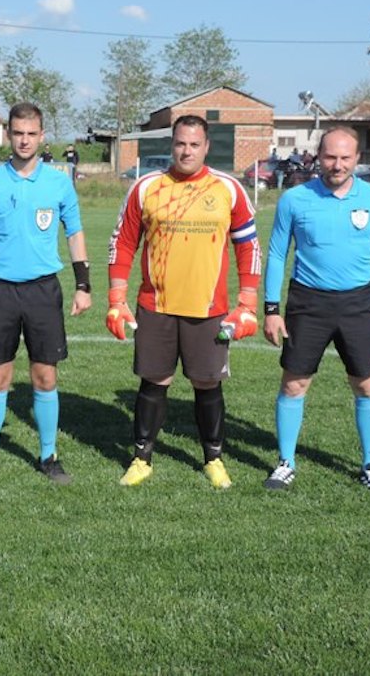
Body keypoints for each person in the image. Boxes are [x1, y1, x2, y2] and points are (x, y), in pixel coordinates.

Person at [107, 115, 261, 489]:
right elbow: (122, 242)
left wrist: (247, 303)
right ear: (171, 145)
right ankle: (141, 459)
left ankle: (213, 459)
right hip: (155, 305)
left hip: (209, 310)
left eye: (194, 144)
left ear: (206, 147)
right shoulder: (147, 187)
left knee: (207, 383)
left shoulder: (228, 188)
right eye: (180, 143)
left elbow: (248, 245)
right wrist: (116, 298)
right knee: (154, 381)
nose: (186, 151)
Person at [0, 102, 92, 485]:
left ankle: (49, 456)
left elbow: (74, 232)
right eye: (18, 133)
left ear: (42, 136)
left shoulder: (58, 183)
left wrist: (83, 285)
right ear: (8, 134)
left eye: (31, 134)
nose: (24, 140)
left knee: (45, 376)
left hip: (43, 290)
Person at [261, 127, 370, 497]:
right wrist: (271, 309)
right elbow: (277, 254)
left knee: (367, 385)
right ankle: (286, 462)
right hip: (307, 304)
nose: (337, 165)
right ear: (317, 156)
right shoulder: (294, 199)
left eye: (345, 158)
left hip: (359, 305)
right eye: (330, 157)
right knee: (294, 383)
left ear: (358, 159)